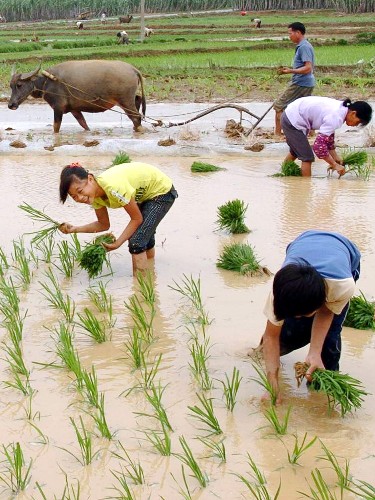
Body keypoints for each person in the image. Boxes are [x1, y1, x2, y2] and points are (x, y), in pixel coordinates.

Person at [255, 230, 361, 404]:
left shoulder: (342, 285)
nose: (297, 316)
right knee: (288, 332)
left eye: (304, 313)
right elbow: (271, 335)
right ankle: (264, 355)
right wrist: (272, 385)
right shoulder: (280, 291)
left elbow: (327, 312)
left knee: (329, 337)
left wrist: (315, 353)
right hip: (303, 242)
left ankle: (322, 392)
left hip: (345, 253)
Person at [59, 162, 178, 275]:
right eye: (74, 196)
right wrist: (74, 229)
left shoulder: (113, 188)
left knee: (137, 241)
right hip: (144, 195)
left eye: (80, 191)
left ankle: (141, 286)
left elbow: (136, 219)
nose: (80, 198)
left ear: (90, 179)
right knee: (145, 235)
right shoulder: (94, 196)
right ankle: (151, 271)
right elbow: (103, 224)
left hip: (161, 191)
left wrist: (117, 243)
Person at [281, 96, 372, 177]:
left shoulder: (341, 109)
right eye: (358, 122)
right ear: (353, 113)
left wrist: (335, 157)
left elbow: (329, 139)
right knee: (307, 157)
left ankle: (284, 173)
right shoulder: (336, 116)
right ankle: (306, 190)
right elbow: (318, 147)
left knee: (296, 151)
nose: (356, 125)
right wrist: (334, 164)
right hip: (292, 119)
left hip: (294, 114)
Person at [273, 22, 315, 136]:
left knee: (279, 106)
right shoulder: (304, 45)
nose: (289, 36)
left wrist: (291, 71)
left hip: (300, 83)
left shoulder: (304, 47)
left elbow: (307, 68)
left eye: (290, 33)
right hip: (306, 82)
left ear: (298, 32)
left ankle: (278, 134)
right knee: (304, 110)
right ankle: (311, 134)